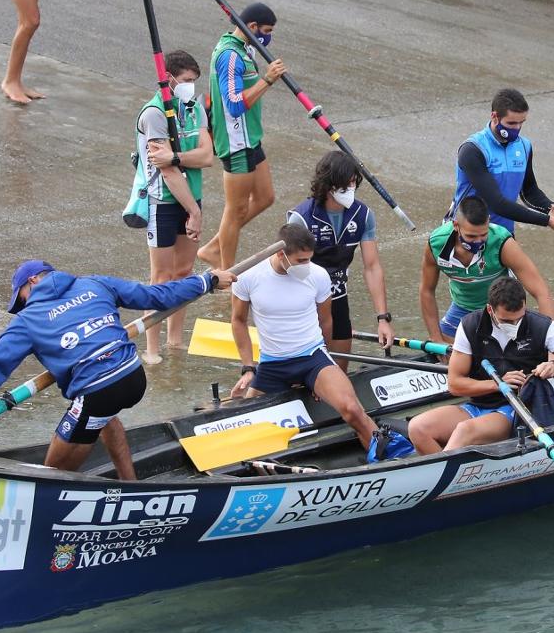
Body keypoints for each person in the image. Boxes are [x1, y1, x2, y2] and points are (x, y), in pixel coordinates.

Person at [0, 260, 235, 479]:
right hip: (132, 375)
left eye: (21, 299)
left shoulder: (28, 321)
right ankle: (129, 484)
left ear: (32, 281)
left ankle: (51, 502)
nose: (22, 306)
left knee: (51, 470)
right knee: (105, 417)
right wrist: (206, 281)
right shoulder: (95, 284)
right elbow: (155, 295)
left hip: (98, 389)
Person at [229, 224, 377, 449]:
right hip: (272, 366)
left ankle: (386, 453)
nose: (307, 265)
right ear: (280, 254)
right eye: (301, 260)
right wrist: (248, 368)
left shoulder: (317, 275)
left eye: (309, 259)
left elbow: (326, 321)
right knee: (245, 433)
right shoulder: (249, 277)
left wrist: (325, 373)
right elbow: (238, 321)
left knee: (352, 409)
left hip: (312, 359)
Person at [407, 276, 554, 455]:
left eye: (519, 319)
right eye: (507, 321)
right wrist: (498, 384)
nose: (514, 325)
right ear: (490, 310)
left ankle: (448, 475)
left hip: (519, 409)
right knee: (417, 428)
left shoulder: (541, 326)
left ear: (524, 306)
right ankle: (458, 478)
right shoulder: (470, 326)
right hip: (479, 404)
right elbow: (454, 384)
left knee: (464, 430)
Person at [136, 50, 214, 365]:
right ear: (169, 80)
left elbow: (207, 156)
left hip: (192, 197)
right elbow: (166, 172)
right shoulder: (153, 113)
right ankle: (151, 348)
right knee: (161, 277)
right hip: (162, 202)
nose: (191, 86)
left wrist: (177, 156)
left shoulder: (194, 110)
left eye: (194, 81)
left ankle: (175, 341)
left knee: (183, 274)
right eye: (186, 81)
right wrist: (193, 212)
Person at [197, 3, 288, 269]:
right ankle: (225, 269)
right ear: (251, 27)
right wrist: (268, 80)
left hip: (251, 136)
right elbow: (234, 105)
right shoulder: (229, 56)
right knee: (234, 211)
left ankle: (215, 245)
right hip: (236, 141)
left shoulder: (245, 48)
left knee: (265, 197)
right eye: (266, 31)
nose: (268, 37)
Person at [287, 151, 394, 359]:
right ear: (327, 185)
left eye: (353, 183)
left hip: (338, 299)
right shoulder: (301, 218)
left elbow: (372, 267)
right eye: (344, 185)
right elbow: (287, 270)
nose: (350, 190)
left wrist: (383, 319)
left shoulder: (363, 215)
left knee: (339, 370)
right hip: (306, 302)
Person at [421, 196, 554, 342]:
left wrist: (550, 345)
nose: (478, 242)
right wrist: (436, 339)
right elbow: (426, 291)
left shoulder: (502, 243)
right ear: (456, 225)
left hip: (502, 311)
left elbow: (542, 293)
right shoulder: (436, 243)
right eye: (471, 236)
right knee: (443, 349)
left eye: (483, 235)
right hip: (462, 307)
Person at [447, 88, 554, 236]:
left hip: (503, 235)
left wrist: (549, 207)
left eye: (521, 123)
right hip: (467, 234)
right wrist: (547, 220)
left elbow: (529, 189)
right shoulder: (473, 150)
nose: (517, 128)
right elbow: (497, 203)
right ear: (494, 116)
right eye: (511, 123)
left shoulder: (524, 146)